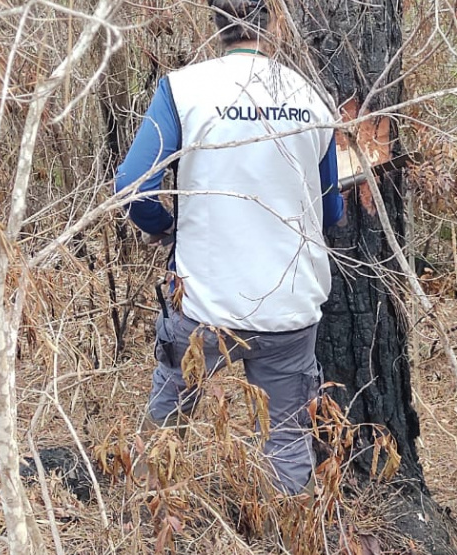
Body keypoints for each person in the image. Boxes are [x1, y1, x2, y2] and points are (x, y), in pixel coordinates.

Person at [114, 0, 342, 496]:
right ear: (275, 20)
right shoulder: (313, 98)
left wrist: (164, 226)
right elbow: (331, 215)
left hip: (203, 307)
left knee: (168, 417)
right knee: (286, 441)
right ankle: (294, 530)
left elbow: (133, 184)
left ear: (214, 22)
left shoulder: (184, 90)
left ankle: (144, 514)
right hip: (289, 307)